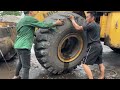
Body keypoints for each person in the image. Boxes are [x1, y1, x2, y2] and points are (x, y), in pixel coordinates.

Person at [12, 11, 64, 79]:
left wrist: (34, 34)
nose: (36, 12)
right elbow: (43, 25)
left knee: (21, 62)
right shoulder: (30, 19)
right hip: (24, 46)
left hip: (17, 46)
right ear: (30, 12)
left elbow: (24, 32)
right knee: (26, 67)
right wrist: (56, 23)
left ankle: (16, 76)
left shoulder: (21, 21)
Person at [69, 11, 105, 79]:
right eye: (86, 17)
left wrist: (72, 20)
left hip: (93, 46)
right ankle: (101, 77)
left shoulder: (91, 25)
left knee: (84, 64)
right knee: (100, 63)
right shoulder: (98, 25)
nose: (86, 19)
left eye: (88, 17)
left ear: (93, 18)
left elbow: (78, 28)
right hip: (99, 46)